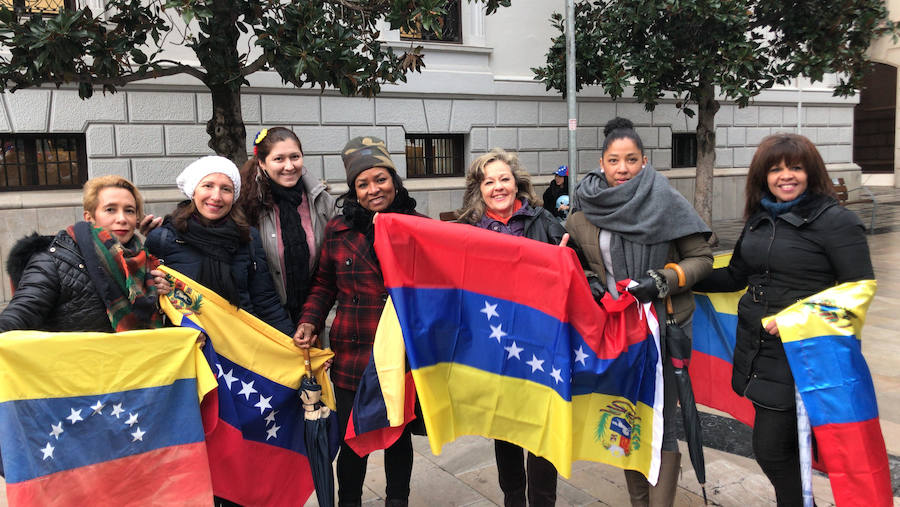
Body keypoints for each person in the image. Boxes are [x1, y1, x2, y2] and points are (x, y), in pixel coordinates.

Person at [693, 134, 873, 505]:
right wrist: (681, 277)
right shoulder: (761, 218)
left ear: (811, 172)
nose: (785, 176)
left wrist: (798, 318)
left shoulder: (837, 222)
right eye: (775, 169)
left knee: (773, 451)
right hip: (758, 353)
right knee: (782, 450)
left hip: (804, 357)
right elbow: (735, 275)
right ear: (763, 176)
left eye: (795, 167)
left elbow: (859, 289)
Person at [566, 117, 713, 507]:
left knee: (659, 419)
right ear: (602, 163)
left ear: (644, 162)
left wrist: (663, 279)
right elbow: (571, 260)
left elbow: (702, 259)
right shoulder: (585, 209)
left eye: (631, 160)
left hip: (664, 328)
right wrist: (591, 283)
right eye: (614, 160)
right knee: (627, 417)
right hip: (616, 332)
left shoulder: (666, 201)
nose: (623, 168)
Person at [294, 136, 421, 507]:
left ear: (394, 181)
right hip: (353, 354)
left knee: (398, 438)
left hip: (400, 355)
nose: (373, 189)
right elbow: (324, 284)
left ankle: (398, 501)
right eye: (362, 184)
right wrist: (310, 322)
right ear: (354, 190)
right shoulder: (338, 229)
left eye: (380, 179)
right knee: (352, 441)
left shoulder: (418, 227)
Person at [455, 148, 570, 507]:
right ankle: (513, 500)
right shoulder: (468, 231)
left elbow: (576, 274)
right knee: (504, 427)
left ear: (517, 183)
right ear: (480, 189)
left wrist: (567, 263)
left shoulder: (545, 221)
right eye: (489, 181)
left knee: (543, 426)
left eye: (504, 178)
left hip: (540, 343)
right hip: (494, 347)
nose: (498, 187)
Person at [145, 155, 295, 336]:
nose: (216, 196)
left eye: (226, 189)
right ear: (193, 190)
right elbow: (141, 300)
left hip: (241, 347)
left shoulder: (248, 237)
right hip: (189, 348)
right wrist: (153, 289)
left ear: (234, 196)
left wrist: (294, 347)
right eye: (208, 186)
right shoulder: (163, 239)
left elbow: (265, 300)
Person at [0, 175, 168, 333]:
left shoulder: (144, 262)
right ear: (89, 217)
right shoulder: (54, 260)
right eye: (110, 209)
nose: (122, 218)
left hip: (136, 361)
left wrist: (162, 296)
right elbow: (23, 311)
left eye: (129, 210)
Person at [238, 127, 337, 324]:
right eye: (279, 159)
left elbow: (331, 265)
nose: (289, 166)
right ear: (262, 163)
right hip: (263, 320)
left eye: (295, 157)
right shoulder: (247, 204)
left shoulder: (322, 201)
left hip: (312, 318)